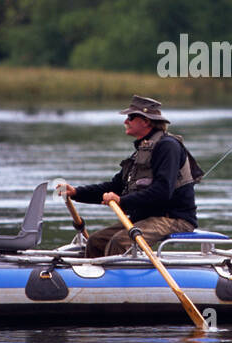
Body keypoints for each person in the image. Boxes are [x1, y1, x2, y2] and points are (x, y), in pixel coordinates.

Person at [58, 95, 201, 258]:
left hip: (174, 219)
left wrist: (122, 201)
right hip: (147, 218)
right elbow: (114, 187)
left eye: (130, 117)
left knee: (120, 241)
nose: (126, 121)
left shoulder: (168, 147)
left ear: (146, 121)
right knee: (96, 241)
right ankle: (91, 279)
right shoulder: (142, 150)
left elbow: (162, 191)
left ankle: (115, 282)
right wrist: (76, 192)